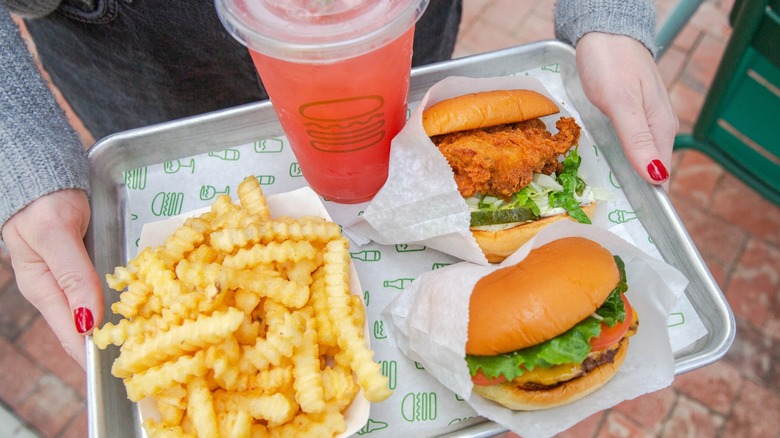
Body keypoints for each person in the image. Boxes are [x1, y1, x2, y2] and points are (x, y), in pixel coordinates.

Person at [0, 0, 677, 370]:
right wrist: (20, 154)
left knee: (399, 125)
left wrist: (608, 16)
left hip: (396, 30)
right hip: (138, 56)